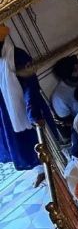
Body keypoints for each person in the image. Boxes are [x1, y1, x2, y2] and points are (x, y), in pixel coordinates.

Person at [0, 27, 56, 183]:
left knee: (42, 141)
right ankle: (40, 170)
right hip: (10, 111)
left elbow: (30, 86)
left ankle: (57, 175)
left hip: (30, 108)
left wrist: (33, 113)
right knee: (25, 145)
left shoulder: (18, 56)